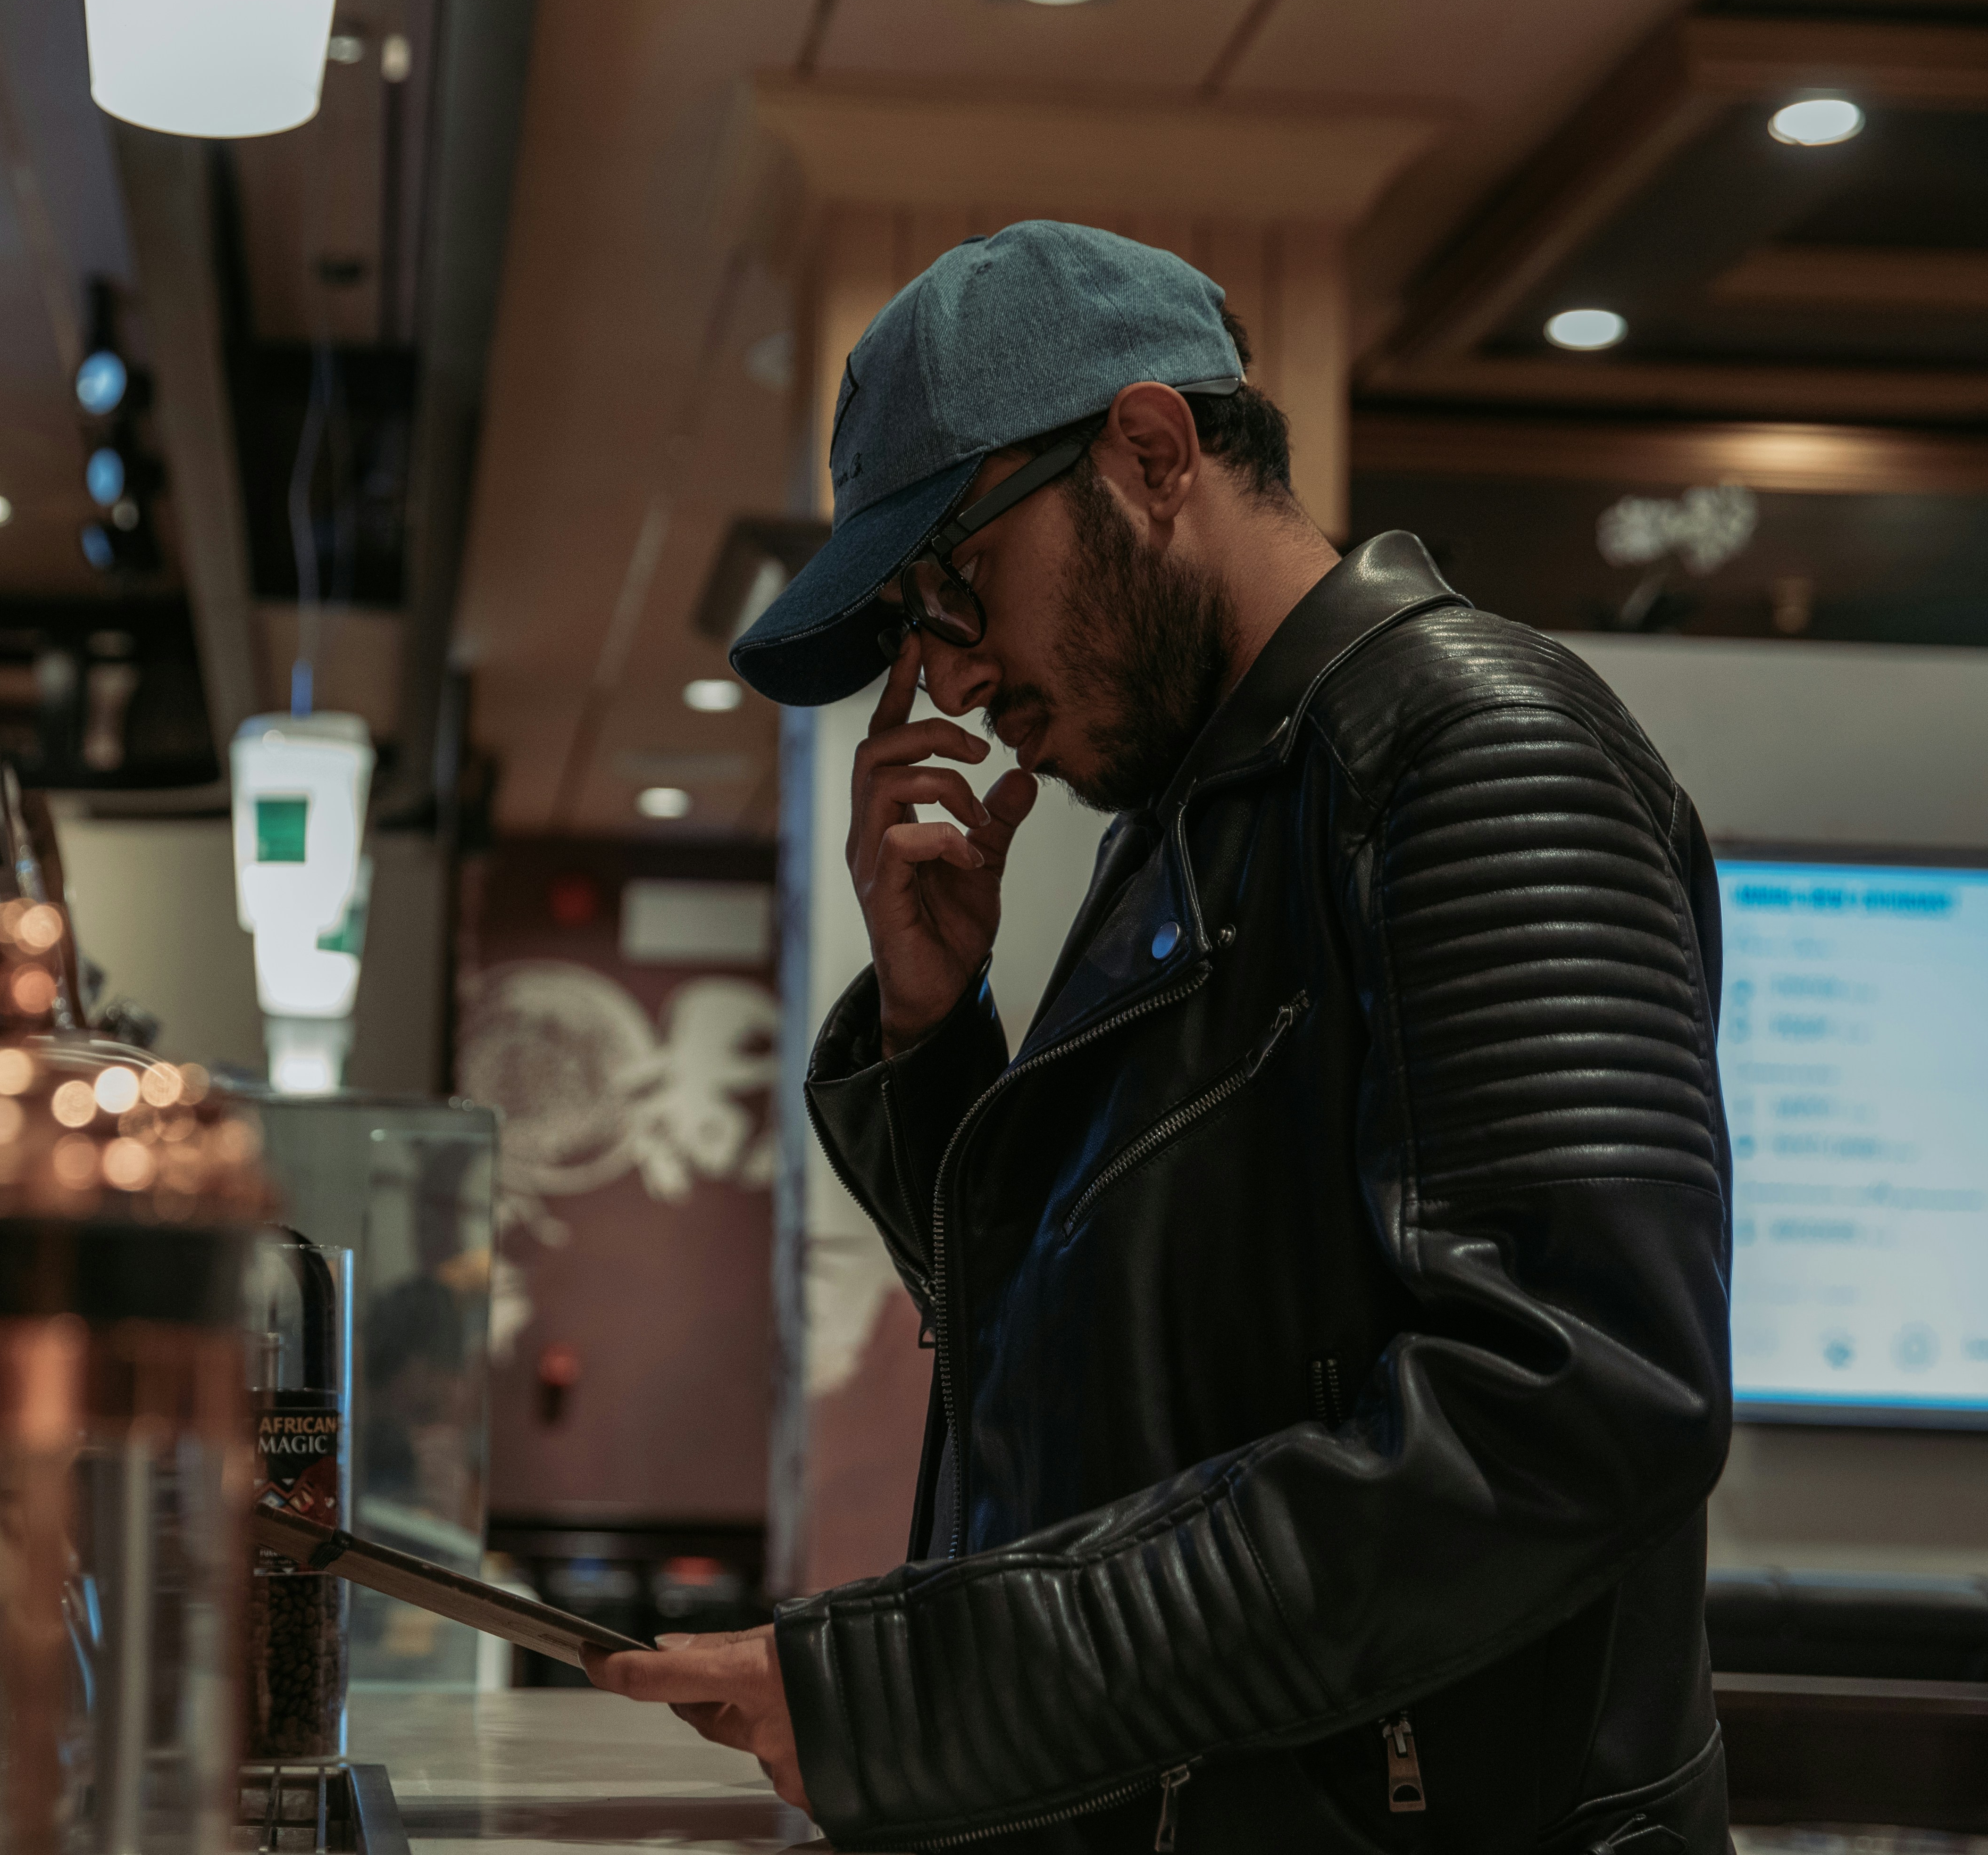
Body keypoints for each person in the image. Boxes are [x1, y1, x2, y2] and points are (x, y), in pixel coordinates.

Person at [585, 222, 1732, 1855]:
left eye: (956, 584)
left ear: (1149, 451)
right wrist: (930, 1029)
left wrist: (927, 1691)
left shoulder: (1475, 750)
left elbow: (1573, 1410)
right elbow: (1111, 1378)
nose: (954, 677)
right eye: (919, 617)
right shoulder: (1206, 816)